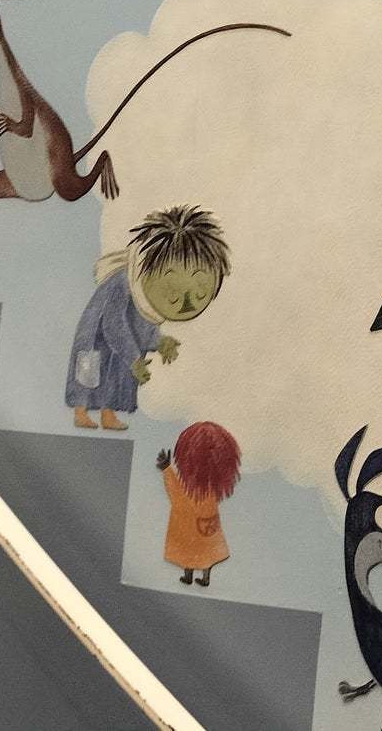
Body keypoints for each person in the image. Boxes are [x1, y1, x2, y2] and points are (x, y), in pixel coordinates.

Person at [66, 205, 231, 431]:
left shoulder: (145, 297)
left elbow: (143, 325)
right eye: (173, 295)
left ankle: (108, 413)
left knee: (117, 375)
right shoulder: (125, 284)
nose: (186, 305)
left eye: (200, 294)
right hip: (97, 336)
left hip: (123, 343)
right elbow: (114, 325)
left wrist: (160, 342)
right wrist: (134, 358)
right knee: (89, 368)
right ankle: (80, 409)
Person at [156, 420, 242, 586]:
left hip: (190, 524)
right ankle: (204, 577)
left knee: (189, 548)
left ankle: (190, 575)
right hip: (206, 523)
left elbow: (176, 495)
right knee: (206, 549)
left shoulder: (194, 484)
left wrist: (167, 469)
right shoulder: (212, 483)